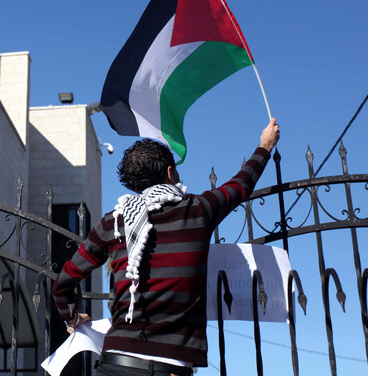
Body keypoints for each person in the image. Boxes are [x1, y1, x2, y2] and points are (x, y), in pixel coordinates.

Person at [52, 118, 280, 376]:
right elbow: (240, 185)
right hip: (170, 367)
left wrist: (71, 317)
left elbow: (63, 282)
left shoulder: (114, 222)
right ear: (170, 173)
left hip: (115, 365)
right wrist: (265, 146)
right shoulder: (198, 210)